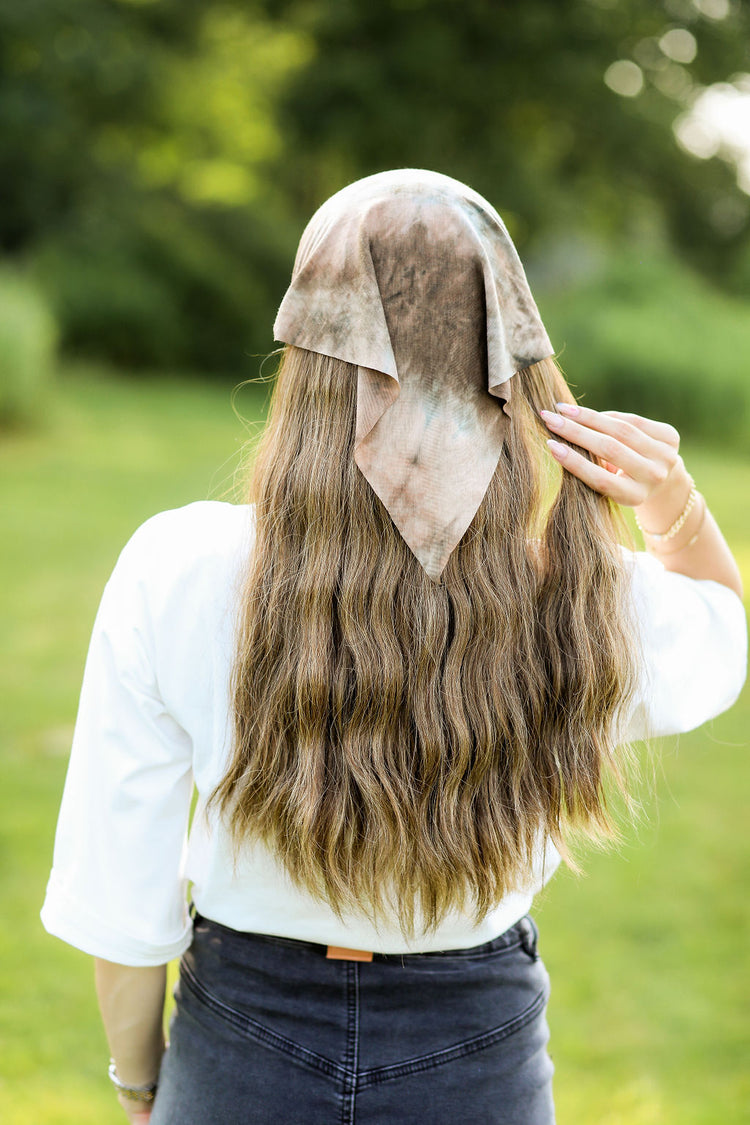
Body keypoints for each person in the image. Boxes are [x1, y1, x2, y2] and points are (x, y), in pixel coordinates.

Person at [41, 170, 746, 1125]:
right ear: (512, 353)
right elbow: (720, 638)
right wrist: (675, 505)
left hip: (242, 1032)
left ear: (307, 357)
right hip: (478, 1046)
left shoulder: (180, 565)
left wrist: (140, 1083)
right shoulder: (580, 591)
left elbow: (120, 890)